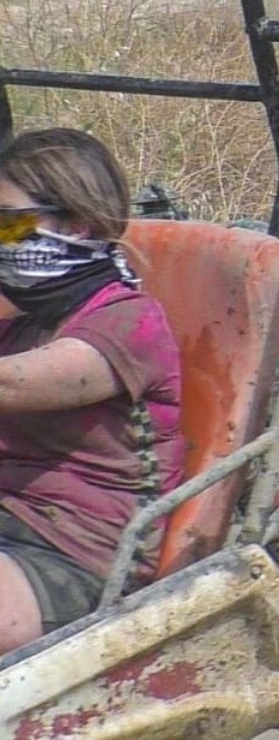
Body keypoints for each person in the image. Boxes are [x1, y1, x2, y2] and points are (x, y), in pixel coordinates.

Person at [0, 128, 183, 652]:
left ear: (77, 225)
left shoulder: (129, 323)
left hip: (75, 556)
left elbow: (15, 382)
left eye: (7, 224)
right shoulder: (27, 317)